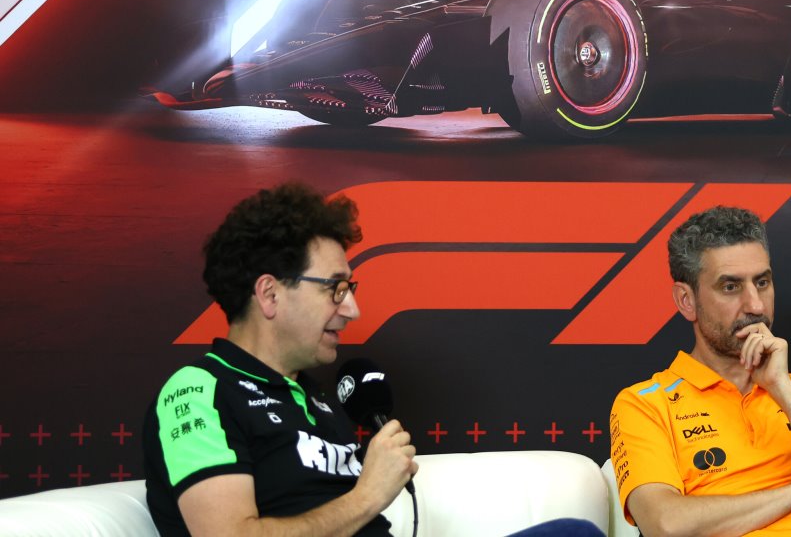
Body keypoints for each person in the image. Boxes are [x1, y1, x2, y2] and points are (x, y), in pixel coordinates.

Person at [143, 183, 602, 537]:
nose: (352, 310)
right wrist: (367, 495)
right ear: (269, 293)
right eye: (335, 289)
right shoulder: (199, 391)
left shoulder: (318, 399)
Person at [609, 206, 791, 536]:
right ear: (687, 301)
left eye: (763, 282)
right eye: (730, 287)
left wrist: (783, 388)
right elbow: (665, 525)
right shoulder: (645, 404)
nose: (755, 305)